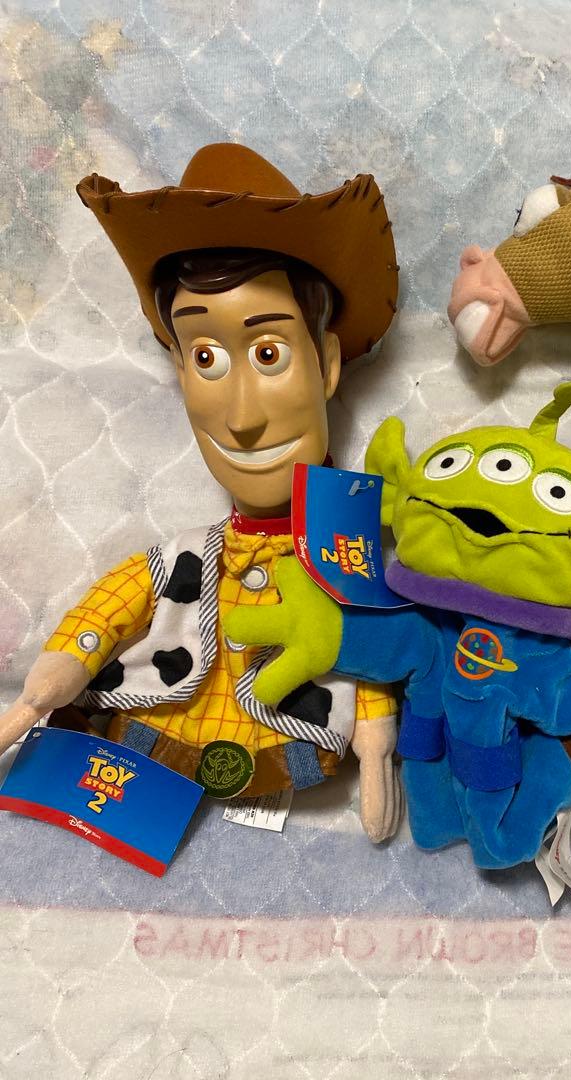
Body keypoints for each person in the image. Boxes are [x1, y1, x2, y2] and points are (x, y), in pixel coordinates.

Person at [0, 144, 404, 839]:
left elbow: (363, 641)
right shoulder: (184, 557)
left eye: (269, 353)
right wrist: (41, 693)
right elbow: (109, 610)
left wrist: (374, 746)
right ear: (179, 370)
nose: (241, 417)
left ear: (329, 362)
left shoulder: (345, 555)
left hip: (293, 746)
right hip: (150, 737)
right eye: (207, 357)